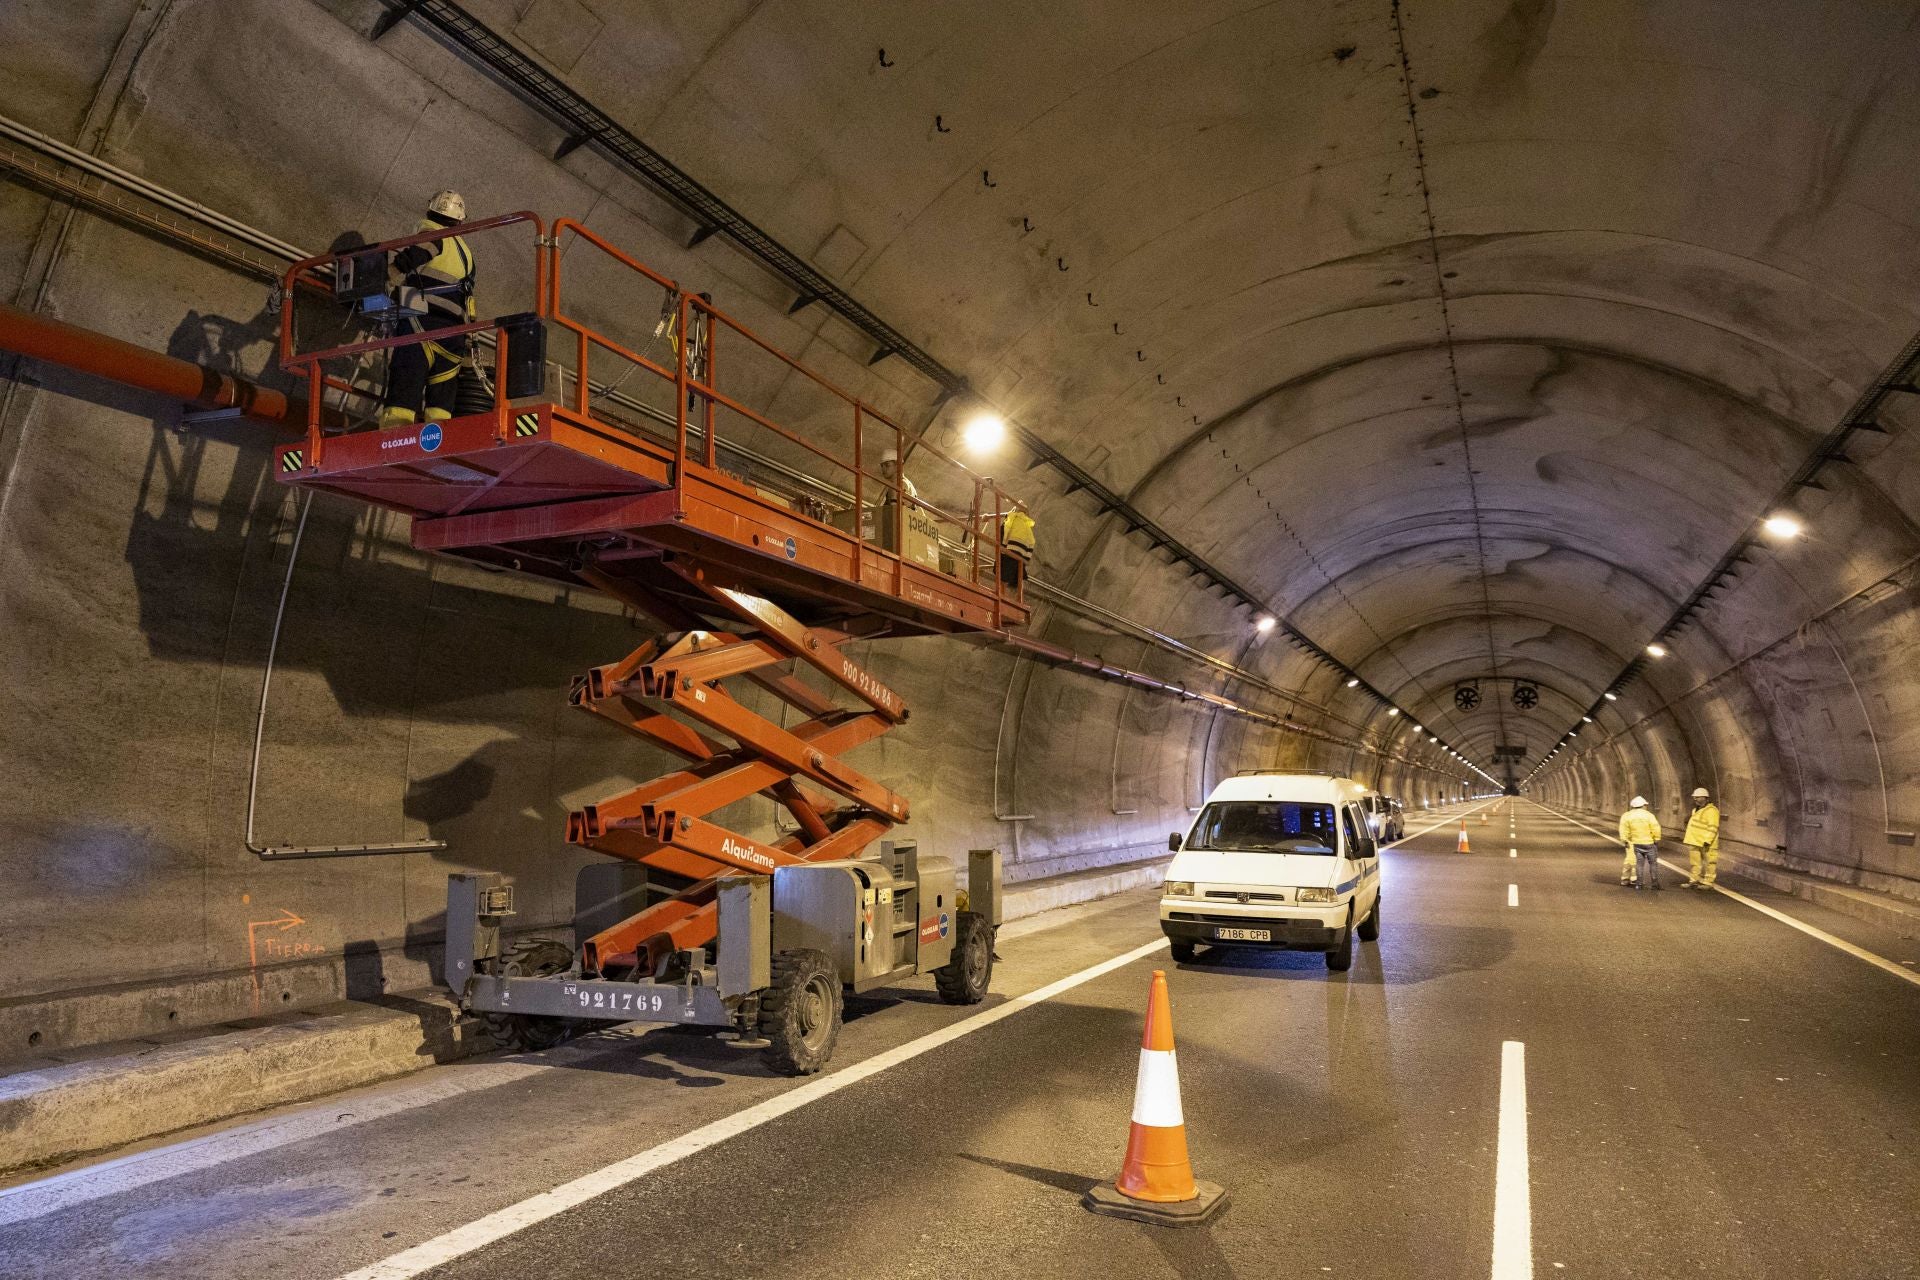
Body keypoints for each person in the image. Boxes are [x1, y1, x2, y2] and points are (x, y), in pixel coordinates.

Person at [382, 189, 475, 427]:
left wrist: (384, 279)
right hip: (454, 336)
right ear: (460, 219)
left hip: (421, 326)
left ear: (430, 210)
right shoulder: (466, 254)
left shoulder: (434, 234)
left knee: (406, 381)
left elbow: (414, 256)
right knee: (442, 399)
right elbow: (469, 300)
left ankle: (394, 439)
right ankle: (438, 445)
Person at [1619, 795, 1662, 891]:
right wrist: (1657, 838)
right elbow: (1655, 827)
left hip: (1633, 842)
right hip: (1648, 842)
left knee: (1633, 861)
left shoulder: (1626, 815)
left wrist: (1624, 840)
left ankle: (1634, 882)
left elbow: (1623, 829)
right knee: (1652, 864)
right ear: (1643, 805)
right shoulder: (1649, 815)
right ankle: (1654, 884)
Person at [1683, 787, 1721, 888]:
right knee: (1695, 863)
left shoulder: (1712, 811)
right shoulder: (1695, 810)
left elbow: (1713, 826)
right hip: (1695, 841)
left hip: (1706, 842)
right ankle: (1694, 880)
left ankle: (1708, 882)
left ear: (1705, 798)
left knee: (1709, 862)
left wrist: (1708, 840)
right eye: (1694, 797)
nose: (1695, 799)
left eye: (1697, 797)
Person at [999, 505, 1035, 595]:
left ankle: (1001, 593)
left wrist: (1002, 546)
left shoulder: (1013, 517)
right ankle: (1013, 592)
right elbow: (1032, 543)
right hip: (1021, 554)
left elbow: (1005, 529)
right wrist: (1026, 560)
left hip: (1011, 548)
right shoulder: (1028, 527)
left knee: (1003, 573)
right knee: (1018, 572)